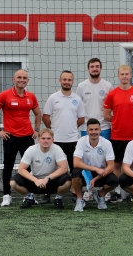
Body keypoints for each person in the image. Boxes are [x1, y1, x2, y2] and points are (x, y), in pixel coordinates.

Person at [0, 69, 41, 207]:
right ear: (14, 79)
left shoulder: (31, 96)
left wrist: (36, 130)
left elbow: (37, 114)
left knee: (29, 167)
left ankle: (30, 195)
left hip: (28, 137)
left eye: (24, 78)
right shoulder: (4, 95)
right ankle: (6, 195)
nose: (22, 80)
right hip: (10, 137)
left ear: (27, 80)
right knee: (8, 166)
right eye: (19, 77)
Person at [103, 65, 133, 202]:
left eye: (126, 74)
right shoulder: (112, 93)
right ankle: (117, 192)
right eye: (122, 74)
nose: (124, 76)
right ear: (118, 76)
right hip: (117, 135)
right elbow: (106, 115)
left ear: (131, 76)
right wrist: (117, 121)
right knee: (116, 165)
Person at [42, 70, 86, 204]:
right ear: (60, 81)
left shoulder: (77, 99)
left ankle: (74, 192)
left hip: (72, 139)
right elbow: (45, 117)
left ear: (72, 82)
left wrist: (71, 127)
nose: (67, 82)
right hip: (56, 140)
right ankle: (47, 193)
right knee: (50, 167)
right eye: (64, 79)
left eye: (69, 80)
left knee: (74, 168)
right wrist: (54, 129)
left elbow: (81, 118)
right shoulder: (53, 98)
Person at [10, 128, 71, 209]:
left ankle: (58, 199)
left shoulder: (57, 149)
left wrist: (47, 178)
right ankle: (29, 198)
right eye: (43, 138)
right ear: (38, 140)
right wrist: (35, 180)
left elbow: (64, 168)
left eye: (48, 138)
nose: (46, 141)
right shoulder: (31, 149)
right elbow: (21, 169)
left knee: (67, 181)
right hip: (35, 182)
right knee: (13, 182)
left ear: (52, 140)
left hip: (51, 181)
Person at [70, 118, 118, 212]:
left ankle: (100, 195)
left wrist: (95, 178)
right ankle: (80, 199)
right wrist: (95, 169)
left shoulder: (107, 143)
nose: (94, 132)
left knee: (114, 180)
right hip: (86, 173)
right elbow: (76, 163)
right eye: (91, 130)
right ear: (87, 130)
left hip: (101, 174)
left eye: (96, 129)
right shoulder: (81, 141)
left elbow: (111, 166)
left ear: (100, 130)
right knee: (75, 173)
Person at [77, 58, 113, 139]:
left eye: (97, 66)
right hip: (86, 128)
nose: (94, 69)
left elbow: (113, 108)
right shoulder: (81, 86)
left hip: (104, 128)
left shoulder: (108, 86)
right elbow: (78, 108)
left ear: (101, 69)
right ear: (88, 69)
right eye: (92, 67)